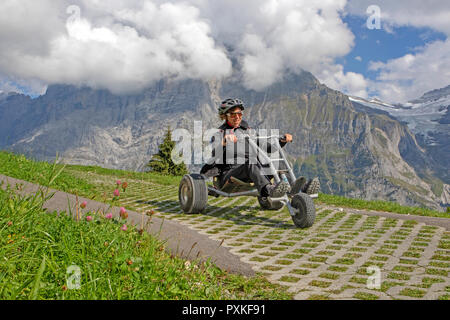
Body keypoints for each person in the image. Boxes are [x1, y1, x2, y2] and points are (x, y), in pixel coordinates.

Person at [201, 98, 320, 198]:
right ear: (225, 116)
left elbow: (267, 147)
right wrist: (224, 142)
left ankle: (298, 188)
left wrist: (282, 141)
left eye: (239, 114)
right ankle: (269, 190)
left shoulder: (248, 131)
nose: (237, 117)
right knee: (250, 162)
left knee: (275, 156)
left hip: (254, 170)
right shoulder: (219, 134)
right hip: (230, 174)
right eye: (233, 114)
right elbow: (214, 156)